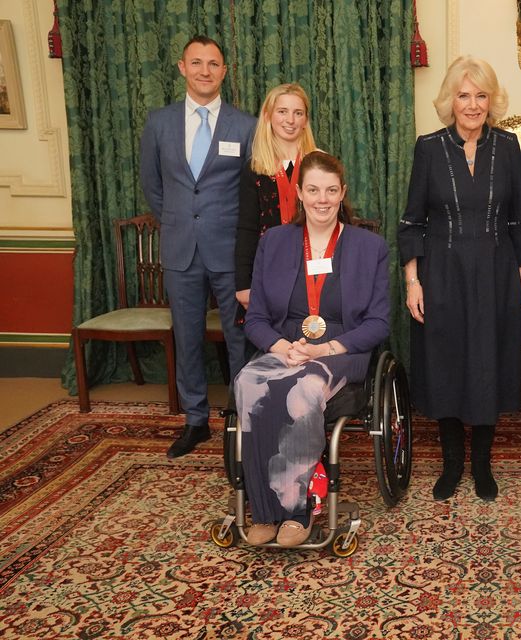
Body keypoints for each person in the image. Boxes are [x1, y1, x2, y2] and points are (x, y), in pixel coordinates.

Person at [399, 55, 521, 502]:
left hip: (496, 271)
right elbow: (412, 222)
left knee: (488, 362)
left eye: (481, 95)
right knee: (445, 361)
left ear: (492, 100)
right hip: (441, 272)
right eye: (464, 95)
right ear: (450, 100)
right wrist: (413, 281)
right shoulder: (428, 147)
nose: (473, 104)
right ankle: (452, 463)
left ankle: (481, 463)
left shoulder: (507, 148)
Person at [235, 150, 389, 546]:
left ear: (343, 194)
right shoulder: (276, 242)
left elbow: (378, 323)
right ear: (300, 193)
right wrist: (282, 346)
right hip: (286, 348)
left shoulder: (368, 247)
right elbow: (255, 319)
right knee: (248, 383)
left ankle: (298, 509)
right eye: (314, 190)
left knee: (301, 390)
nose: (323, 199)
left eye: (331, 190)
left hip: (341, 353)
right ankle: (265, 512)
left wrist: (325, 350)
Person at [139, 35, 256, 459]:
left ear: (224, 71)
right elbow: (153, 186)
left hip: (229, 250)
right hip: (180, 248)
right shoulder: (159, 122)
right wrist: (179, 219)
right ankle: (195, 420)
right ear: (182, 67)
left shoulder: (245, 126)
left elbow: (251, 191)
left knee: (239, 337)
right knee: (186, 336)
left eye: (213, 64)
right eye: (197, 62)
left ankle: (243, 417)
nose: (205, 70)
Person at [235, 83, 317, 315]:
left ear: (305, 120)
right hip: (269, 272)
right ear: (268, 116)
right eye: (282, 111)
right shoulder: (255, 170)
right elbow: (247, 229)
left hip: (314, 271)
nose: (290, 120)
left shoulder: (319, 165)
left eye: (298, 113)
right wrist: (243, 284)